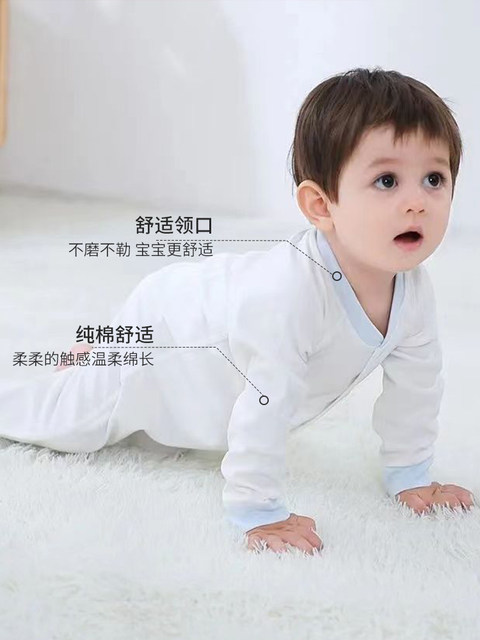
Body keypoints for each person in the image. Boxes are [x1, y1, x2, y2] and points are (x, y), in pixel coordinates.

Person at [0, 67, 474, 556]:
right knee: (67, 422)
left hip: (214, 317)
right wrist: (258, 510)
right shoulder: (291, 296)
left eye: (434, 179)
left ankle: (96, 351)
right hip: (166, 334)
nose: (417, 202)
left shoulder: (413, 290)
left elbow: (417, 388)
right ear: (320, 205)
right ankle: (100, 355)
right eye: (387, 180)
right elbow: (263, 407)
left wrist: (410, 475)